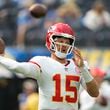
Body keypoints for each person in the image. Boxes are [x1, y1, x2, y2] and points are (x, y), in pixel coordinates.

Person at [0, 23, 99, 110]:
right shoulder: (42, 62)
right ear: (50, 41)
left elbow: (95, 93)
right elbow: (19, 67)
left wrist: (83, 69)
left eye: (67, 42)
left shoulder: (80, 65)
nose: (64, 45)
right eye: (60, 41)